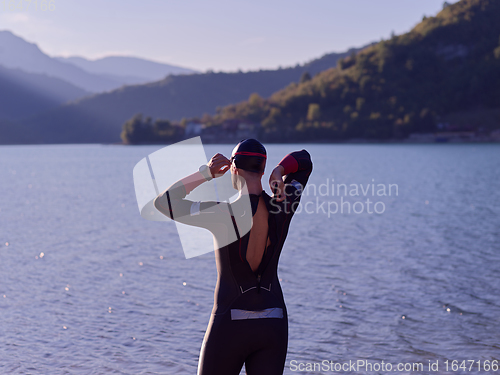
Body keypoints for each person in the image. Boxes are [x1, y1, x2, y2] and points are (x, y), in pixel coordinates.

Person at [154, 139, 312, 375]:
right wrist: (279, 170)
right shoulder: (283, 204)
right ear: (261, 169)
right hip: (273, 321)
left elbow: (164, 202)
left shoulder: (222, 213)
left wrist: (205, 173)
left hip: (230, 322)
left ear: (234, 170)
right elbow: (304, 161)